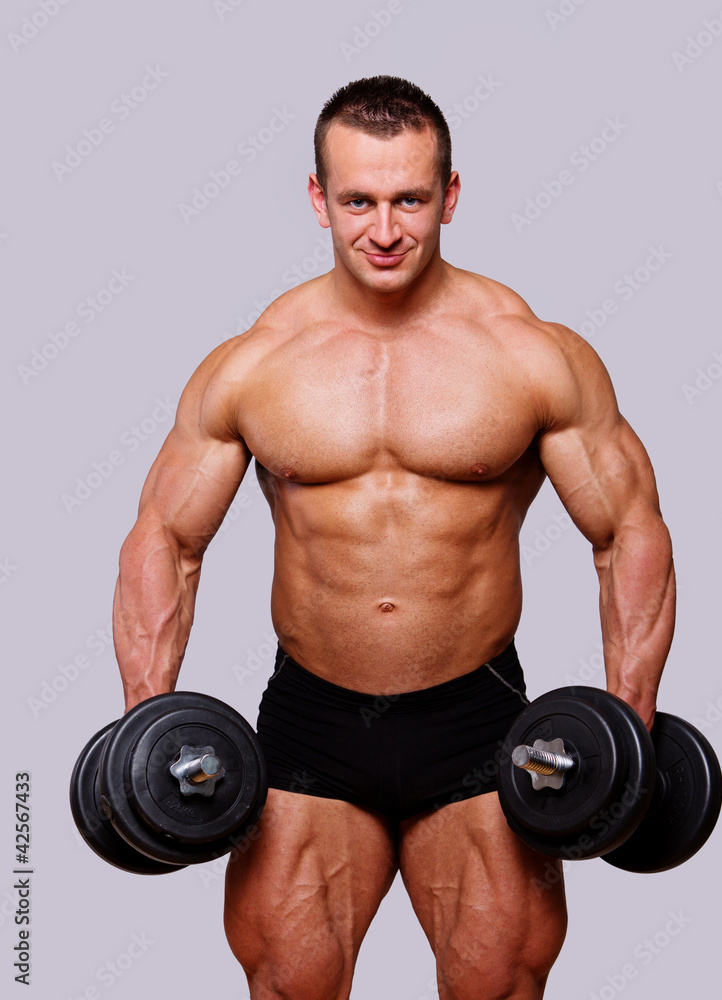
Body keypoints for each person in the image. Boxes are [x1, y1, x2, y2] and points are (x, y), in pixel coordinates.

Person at [112, 76, 675, 999]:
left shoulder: (531, 354)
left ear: (449, 195)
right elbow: (165, 540)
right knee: (290, 985)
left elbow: (628, 535)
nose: (383, 229)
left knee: (498, 987)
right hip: (311, 724)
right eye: (357, 201)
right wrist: (146, 725)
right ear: (316, 199)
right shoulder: (255, 363)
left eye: (410, 199)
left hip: (482, 724)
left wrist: (631, 726)